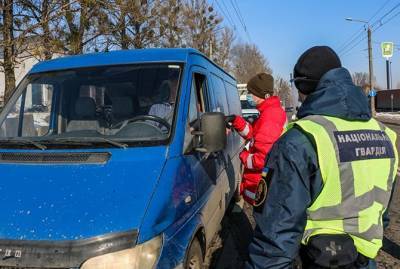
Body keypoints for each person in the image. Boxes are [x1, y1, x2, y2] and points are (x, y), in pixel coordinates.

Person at [245, 46, 398, 269]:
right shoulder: (385, 135)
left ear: (304, 88)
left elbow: (276, 238)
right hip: (366, 260)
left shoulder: (302, 139)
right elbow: (382, 214)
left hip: (315, 260)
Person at [225, 73, 287, 206]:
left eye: (251, 92)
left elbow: (262, 159)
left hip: (264, 187)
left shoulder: (270, 118)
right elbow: (254, 134)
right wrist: (235, 121)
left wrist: (243, 156)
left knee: (263, 222)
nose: (249, 96)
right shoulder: (269, 112)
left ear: (261, 94)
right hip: (265, 184)